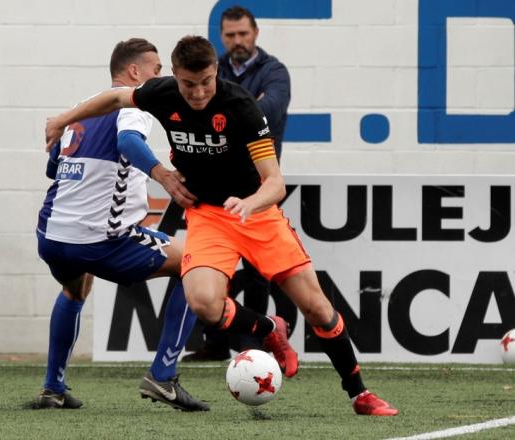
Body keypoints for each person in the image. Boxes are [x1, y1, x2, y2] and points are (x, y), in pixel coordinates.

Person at [44, 35, 399, 416]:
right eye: (188, 83)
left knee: (316, 308)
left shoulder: (241, 106)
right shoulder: (162, 93)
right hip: (209, 216)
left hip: (257, 215)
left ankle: (359, 394)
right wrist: (63, 119)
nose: (198, 93)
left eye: (206, 82)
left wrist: (250, 202)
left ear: (215, 72)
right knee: (205, 303)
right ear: (176, 77)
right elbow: (114, 98)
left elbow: (275, 183)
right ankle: (270, 329)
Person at [34, 38, 207, 411]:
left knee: (75, 288)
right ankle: (163, 377)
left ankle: (53, 388)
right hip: (100, 240)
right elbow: (128, 141)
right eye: (157, 69)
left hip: (52, 236)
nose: (161, 77)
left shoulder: (79, 111)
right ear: (134, 73)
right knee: (195, 262)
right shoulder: (134, 101)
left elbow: (53, 168)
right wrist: (162, 175)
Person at [183, 5, 298, 361]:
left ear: (256, 34)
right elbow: (195, 110)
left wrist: (218, 117)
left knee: (257, 269)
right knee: (214, 268)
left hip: (255, 185)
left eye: (243, 34)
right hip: (215, 187)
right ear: (222, 36)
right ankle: (217, 342)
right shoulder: (211, 70)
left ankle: (254, 343)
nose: (237, 41)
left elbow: (269, 111)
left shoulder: (274, 71)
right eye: (231, 35)